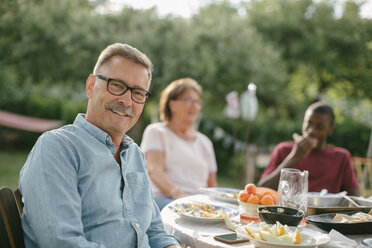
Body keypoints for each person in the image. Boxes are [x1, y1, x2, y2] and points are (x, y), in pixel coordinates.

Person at [19, 43, 180, 248]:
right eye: (116, 85)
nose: (127, 101)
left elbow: (154, 230)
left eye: (138, 93)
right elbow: (61, 242)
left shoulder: (135, 155)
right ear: (90, 86)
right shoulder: (58, 148)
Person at [140, 78, 218, 210]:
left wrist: (214, 206)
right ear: (172, 104)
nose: (194, 106)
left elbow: (212, 185)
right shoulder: (156, 132)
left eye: (197, 102)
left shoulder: (205, 142)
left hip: (198, 205)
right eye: (188, 100)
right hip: (165, 200)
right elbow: (154, 170)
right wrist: (181, 196)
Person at [257, 101, 360, 196]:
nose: (311, 131)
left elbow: (354, 196)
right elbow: (261, 190)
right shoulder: (283, 150)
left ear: (330, 130)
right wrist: (293, 158)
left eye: (319, 127)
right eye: (308, 123)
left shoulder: (341, 157)